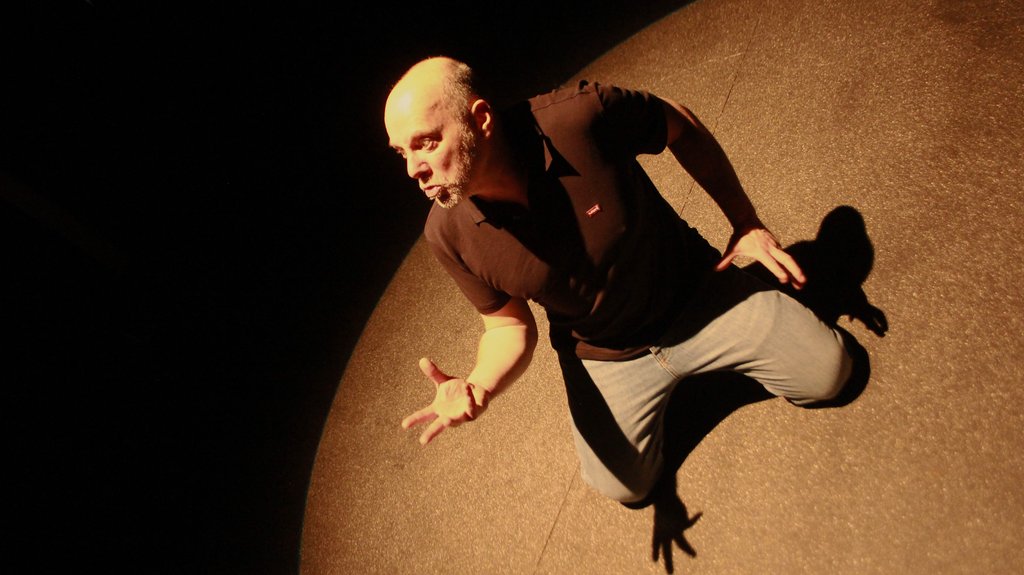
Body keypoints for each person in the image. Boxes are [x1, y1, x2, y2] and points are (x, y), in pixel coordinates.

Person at [385, 56, 853, 505]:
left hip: (694, 293)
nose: (412, 170)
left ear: (481, 119)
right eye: (402, 152)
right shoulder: (446, 234)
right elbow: (508, 326)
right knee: (625, 485)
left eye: (426, 143)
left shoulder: (580, 117)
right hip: (604, 352)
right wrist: (479, 385)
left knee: (830, 374)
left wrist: (745, 221)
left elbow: (680, 124)